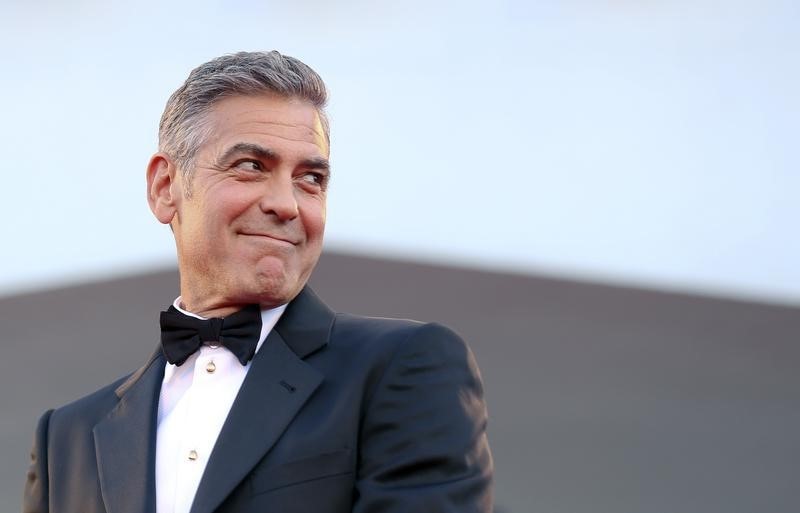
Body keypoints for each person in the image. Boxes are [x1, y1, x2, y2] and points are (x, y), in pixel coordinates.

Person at [22, 51, 493, 513]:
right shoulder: (66, 439)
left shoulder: (404, 367)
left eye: (311, 178)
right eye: (251, 166)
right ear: (165, 188)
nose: (286, 204)